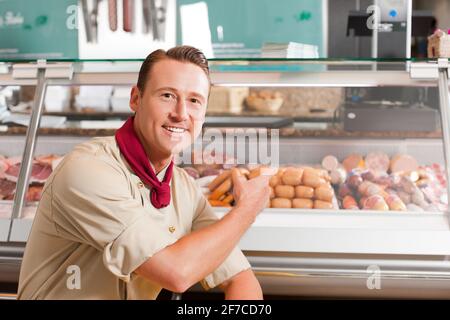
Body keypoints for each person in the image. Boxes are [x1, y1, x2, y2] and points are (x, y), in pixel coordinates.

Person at [17, 46, 271, 300]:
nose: (181, 114)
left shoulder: (182, 188)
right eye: (168, 96)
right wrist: (247, 210)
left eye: (194, 101)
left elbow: (241, 280)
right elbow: (176, 272)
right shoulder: (88, 169)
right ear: (136, 99)